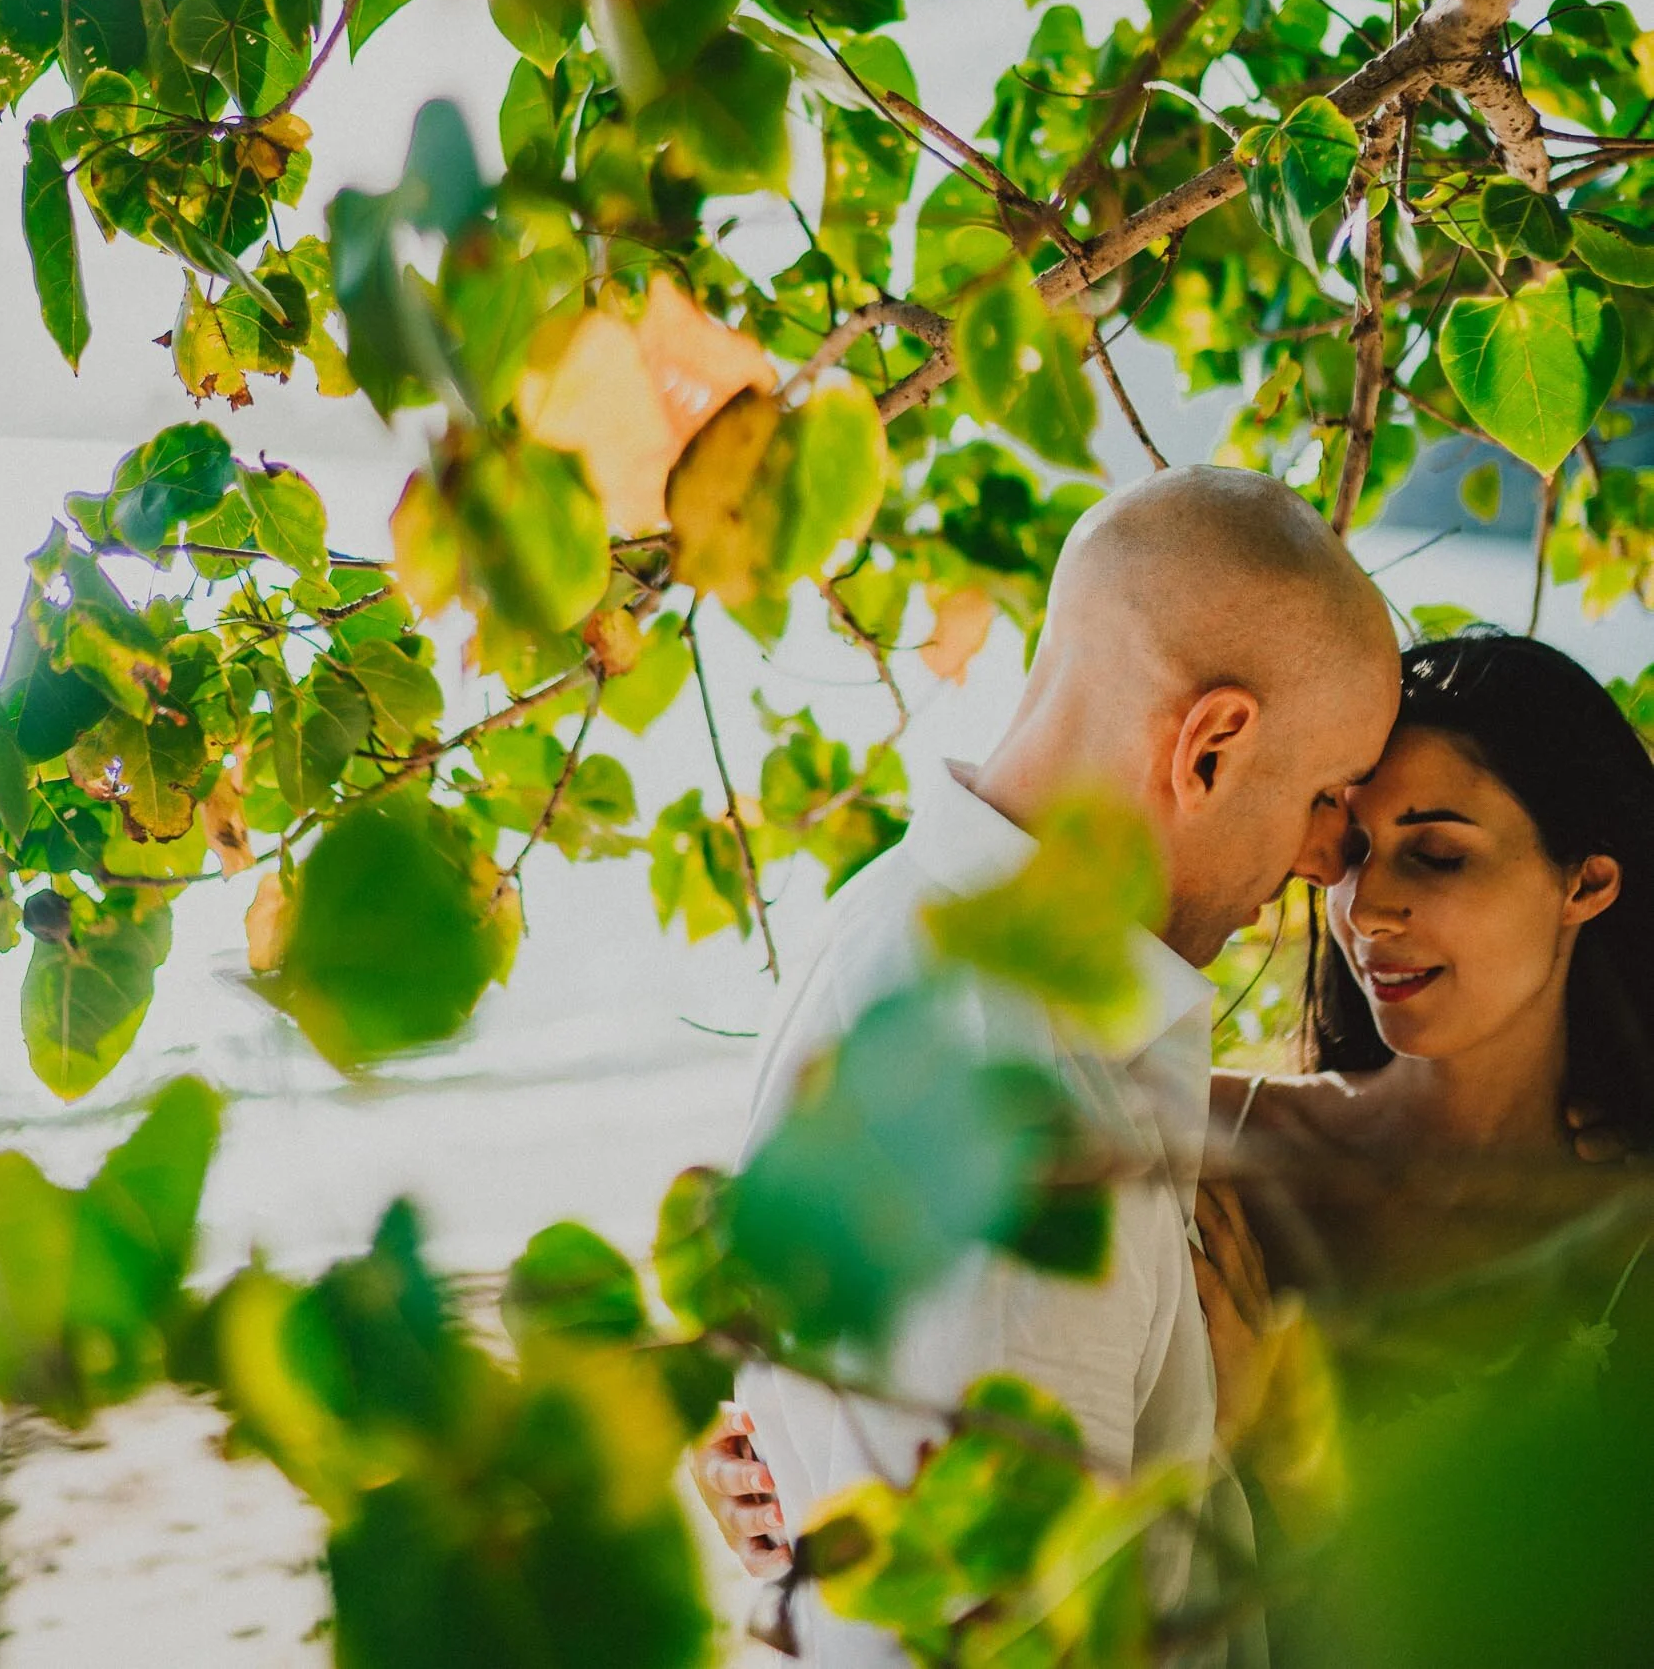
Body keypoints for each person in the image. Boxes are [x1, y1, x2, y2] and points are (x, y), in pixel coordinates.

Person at [697, 466, 1401, 1656]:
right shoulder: (1013, 1104)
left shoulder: (894, 934)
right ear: (1210, 749)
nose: (1332, 857)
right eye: (1327, 793)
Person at [1193, 628, 1654, 1422]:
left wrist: (1274, 1443)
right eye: (1352, 851)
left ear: (1585, 884)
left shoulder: (1630, 1239)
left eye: (1436, 854)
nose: (1365, 910)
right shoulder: (1206, 1139)